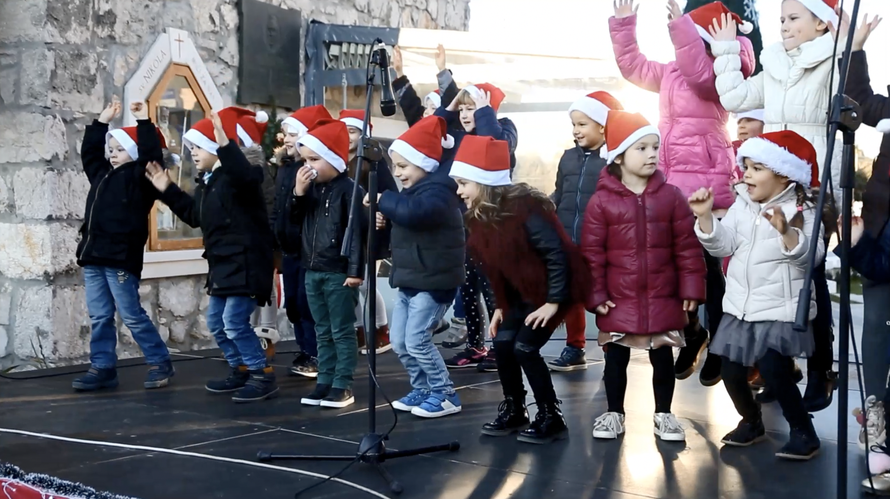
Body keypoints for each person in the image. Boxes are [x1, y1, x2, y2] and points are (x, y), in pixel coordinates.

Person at [710, 0, 869, 412]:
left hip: (812, 184)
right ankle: (780, 366)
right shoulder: (777, 64)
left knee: (808, 275)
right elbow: (735, 96)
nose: (783, 25)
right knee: (776, 273)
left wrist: (851, 48)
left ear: (822, 24)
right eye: (781, 18)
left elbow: (854, 99)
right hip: (774, 178)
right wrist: (728, 50)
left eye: (794, 17)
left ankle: (820, 370)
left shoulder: (833, 59)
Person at [610, 0, 756, 386]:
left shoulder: (729, 62)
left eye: (692, 24)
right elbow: (635, 67)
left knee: (709, 274)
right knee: (672, 272)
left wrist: (683, 32)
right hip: (672, 184)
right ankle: (695, 336)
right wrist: (625, 25)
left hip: (707, 182)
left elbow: (700, 77)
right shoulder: (674, 68)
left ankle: (722, 347)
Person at [691, 130, 824, 460]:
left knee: (774, 369)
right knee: (732, 372)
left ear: (782, 174)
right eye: (745, 166)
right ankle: (751, 421)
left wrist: (787, 232)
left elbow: (812, 256)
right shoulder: (743, 205)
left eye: (756, 168)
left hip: (779, 308)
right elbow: (725, 245)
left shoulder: (803, 208)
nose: (746, 174)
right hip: (741, 306)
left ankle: (803, 432)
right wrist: (706, 219)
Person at [450, 135, 590, 444]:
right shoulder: (481, 217)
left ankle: (551, 416)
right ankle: (515, 409)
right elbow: (497, 269)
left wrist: (554, 302)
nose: (458, 191)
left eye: (463, 183)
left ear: (484, 182)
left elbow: (557, 255)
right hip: (522, 294)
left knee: (524, 348)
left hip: (555, 289)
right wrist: (501, 305)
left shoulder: (525, 208)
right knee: (502, 345)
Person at [581, 111, 706, 442]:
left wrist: (692, 286)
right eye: (642, 148)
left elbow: (687, 246)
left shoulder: (671, 197)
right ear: (619, 156)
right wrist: (595, 295)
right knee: (616, 358)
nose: (652, 154)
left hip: (662, 294)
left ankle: (664, 414)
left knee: (662, 355)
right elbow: (591, 255)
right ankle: (613, 413)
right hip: (618, 296)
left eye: (655, 147)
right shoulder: (601, 202)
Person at [145, 108, 278, 403]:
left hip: (245, 262)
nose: (192, 152)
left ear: (218, 148)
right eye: (191, 147)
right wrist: (166, 188)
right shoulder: (209, 182)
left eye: (198, 147)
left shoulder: (245, 176)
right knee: (217, 322)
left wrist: (224, 143)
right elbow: (195, 215)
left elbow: (241, 173)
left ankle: (261, 373)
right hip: (223, 265)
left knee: (233, 321)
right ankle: (240, 367)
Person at [73, 98, 175, 392]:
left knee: (131, 314)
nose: (113, 155)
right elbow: (89, 153)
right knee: (100, 315)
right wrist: (101, 122)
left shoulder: (140, 178)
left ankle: (159, 362)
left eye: (120, 150)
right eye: (111, 150)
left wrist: (143, 121)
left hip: (120, 260)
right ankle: (102, 367)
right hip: (93, 258)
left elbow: (151, 155)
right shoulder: (101, 174)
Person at [370, 115, 465, 418]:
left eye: (402, 166)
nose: (397, 174)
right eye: (395, 167)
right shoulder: (413, 193)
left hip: (433, 281)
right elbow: (408, 221)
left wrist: (383, 201)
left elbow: (416, 214)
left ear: (424, 163)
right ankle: (422, 388)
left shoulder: (440, 191)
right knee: (399, 341)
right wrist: (385, 218)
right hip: (412, 278)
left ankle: (445, 393)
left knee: (418, 340)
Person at [437, 83, 518, 372]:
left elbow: (495, 146)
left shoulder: (504, 128)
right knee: (468, 287)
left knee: (493, 287)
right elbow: (432, 127)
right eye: (462, 109)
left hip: (491, 225)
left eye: (472, 108)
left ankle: (502, 346)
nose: (465, 114)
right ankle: (475, 344)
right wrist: (449, 103)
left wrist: (485, 113)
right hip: (464, 226)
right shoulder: (457, 136)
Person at [289, 119, 366, 409]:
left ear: (333, 158)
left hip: (338, 272)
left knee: (341, 329)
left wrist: (355, 270)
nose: (308, 166)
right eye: (305, 159)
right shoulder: (312, 190)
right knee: (322, 328)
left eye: (314, 159)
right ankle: (325, 379)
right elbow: (293, 220)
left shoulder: (349, 190)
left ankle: (342, 383)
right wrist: (298, 192)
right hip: (313, 270)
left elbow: (357, 232)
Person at [841, 14, 889, 462]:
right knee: (875, 327)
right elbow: (862, 103)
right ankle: (875, 413)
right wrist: (856, 48)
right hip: (882, 232)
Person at [548, 91, 624, 372]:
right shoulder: (568, 158)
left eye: (582, 124)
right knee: (571, 295)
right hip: (569, 240)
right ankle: (575, 346)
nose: (576, 131)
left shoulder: (615, 161)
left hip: (602, 244)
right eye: (574, 125)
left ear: (603, 125)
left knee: (604, 298)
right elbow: (561, 192)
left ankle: (611, 351)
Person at [274, 104, 334, 378]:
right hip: (288, 247)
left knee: (308, 303)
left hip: (306, 248)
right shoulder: (286, 169)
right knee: (294, 305)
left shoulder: (309, 172)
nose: (284, 138)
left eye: (290, 134)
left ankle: (316, 352)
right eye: (285, 134)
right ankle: (305, 347)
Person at [340, 109, 399, 356]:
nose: (348, 137)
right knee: (350, 285)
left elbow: (389, 193)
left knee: (366, 284)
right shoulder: (338, 161)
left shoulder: (373, 164)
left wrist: (380, 214)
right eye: (344, 132)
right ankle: (360, 330)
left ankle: (380, 329)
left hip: (368, 233)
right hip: (345, 231)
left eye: (352, 131)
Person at [392, 44, 460, 126]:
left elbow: (449, 100)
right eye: (426, 107)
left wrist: (442, 69)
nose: (426, 111)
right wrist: (399, 72)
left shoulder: (446, 130)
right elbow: (410, 104)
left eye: (433, 108)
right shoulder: (419, 126)